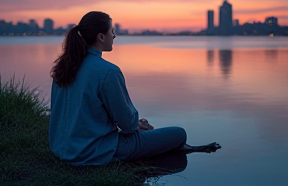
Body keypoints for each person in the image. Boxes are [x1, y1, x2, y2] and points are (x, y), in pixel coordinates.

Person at [49, 11, 219, 166]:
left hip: (61, 149)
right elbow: (127, 125)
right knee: (178, 134)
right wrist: (135, 124)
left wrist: (131, 124)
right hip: (93, 151)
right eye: (112, 31)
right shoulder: (108, 72)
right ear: (101, 36)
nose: (114, 35)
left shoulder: (63, 68)